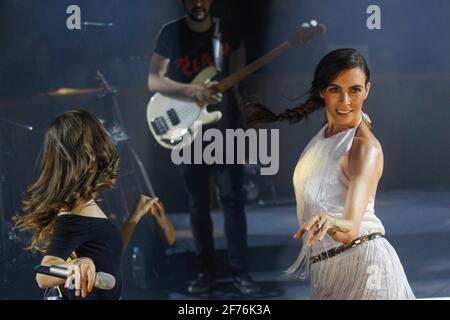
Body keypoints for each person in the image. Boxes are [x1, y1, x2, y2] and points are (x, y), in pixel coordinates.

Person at [246, 48, 415, 299]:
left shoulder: (364, 149)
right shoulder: (324, 136)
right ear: (322, 91)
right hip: (327, 272)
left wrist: (331, 221)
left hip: (367, 270)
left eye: (355, 90)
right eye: (336, 89)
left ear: (367, 90)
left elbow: (349, 229)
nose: (345, 101)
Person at [148, 0, 260, 294]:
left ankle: (242, 274)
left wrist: (235, 88)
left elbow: (239, 61)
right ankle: (205, 273)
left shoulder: (227, 32)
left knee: (233, 202)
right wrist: (191, 90)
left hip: (225, 129)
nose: (198, 3)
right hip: (189, 128)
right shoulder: (171, 33)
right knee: (198, 205)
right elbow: (153, 80)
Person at [14, 109, 162, 300]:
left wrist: (134, 217)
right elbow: (43, 276)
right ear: (85, 153)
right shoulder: (72, 216)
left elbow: (109, 255)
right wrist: (76, 265)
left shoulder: (87, 205)